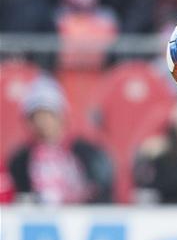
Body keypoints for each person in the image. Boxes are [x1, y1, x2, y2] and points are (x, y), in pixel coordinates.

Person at [8, 76, 113, 204]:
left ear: (61, 115)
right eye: (37, 116)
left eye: (48, 114)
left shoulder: (87, 152)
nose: (43, 122)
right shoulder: (20, 160)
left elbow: (101, 190)